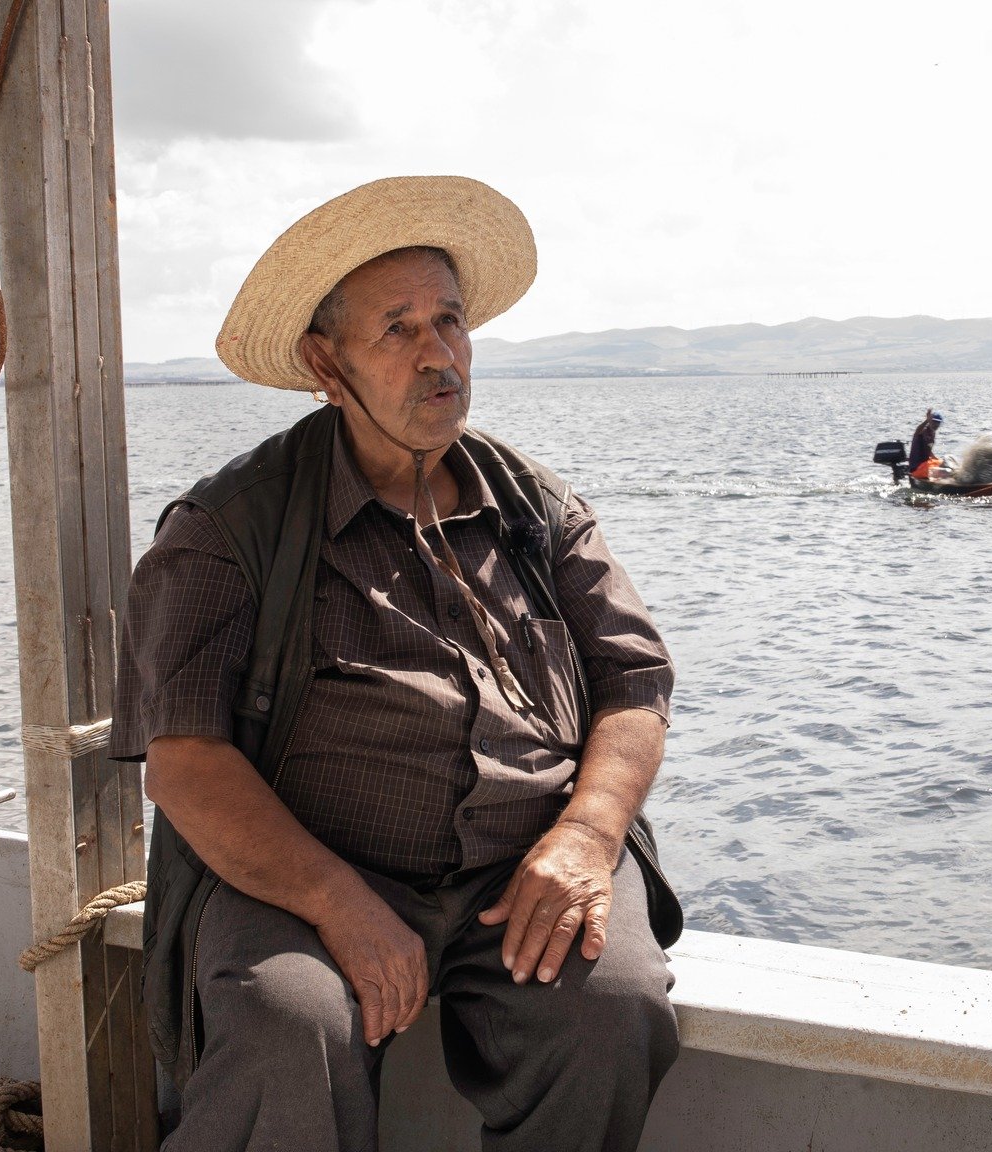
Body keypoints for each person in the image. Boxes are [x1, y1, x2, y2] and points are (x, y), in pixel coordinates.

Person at [112, 176, 681, 1152]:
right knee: (288, 1024)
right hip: (299, 873)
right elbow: (187, 767)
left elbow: (633, 685)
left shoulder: (536, 505)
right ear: (324, 364)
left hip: (527, 861)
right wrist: (337, 901)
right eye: (398, 330)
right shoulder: (225, 530)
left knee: (614, 1008)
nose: (437, 355)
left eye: (449, 323)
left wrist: (587, 833)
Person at [907, 408, 943, 477]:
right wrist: (927, 421)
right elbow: (917, 431)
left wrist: (937, 459)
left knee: (943, 464)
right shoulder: (923, 430)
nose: (936, 424)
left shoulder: (932, 433)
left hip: (926, 464)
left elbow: (928, 451)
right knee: (940, 471)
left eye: (938, 422)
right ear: (930, 421)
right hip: (916, 467)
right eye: (934, 422)